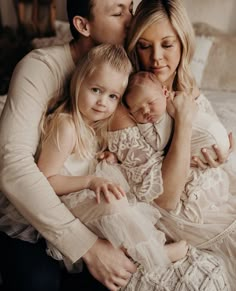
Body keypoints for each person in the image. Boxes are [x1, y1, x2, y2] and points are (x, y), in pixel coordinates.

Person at [0, 1, 136, 291]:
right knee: (37, 283)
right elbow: (13, 166)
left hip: (81, 205)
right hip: (29, 212)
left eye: (131, 9)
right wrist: (88, 247)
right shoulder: (40, 67)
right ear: (83, 25)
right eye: (117, 12)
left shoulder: (127, 68)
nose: (130, 20)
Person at [108, 0, 234, 289]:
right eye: (144, 45)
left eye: (167, 44)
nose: (156, 58)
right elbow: (165, 199)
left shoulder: (186, 83)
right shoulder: (127, 104)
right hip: (186, 217)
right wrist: (185, 124)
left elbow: (213, 139)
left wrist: (220, 154)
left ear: (183, 44)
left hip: (218, 192)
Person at [37, 43, 189, 275]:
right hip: (61, 206)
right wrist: (90, 181)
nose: (102, 102)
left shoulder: (92, 125)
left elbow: (81, 161)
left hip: (78, 197)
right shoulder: (66, 126)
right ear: (79, 82)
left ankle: (132, 246)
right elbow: (46, 180)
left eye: (112, 96)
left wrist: (106, 158)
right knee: (113, 201)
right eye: (96, 90)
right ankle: (154, 253)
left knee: (120, 191)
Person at [123, 71, 230, 163]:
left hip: (211, 138)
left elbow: (159, 144)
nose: (146, 111)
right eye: (137, 110)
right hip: (215, 137)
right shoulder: (172, 100)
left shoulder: (163, 116)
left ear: (165, 92)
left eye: (151, 102)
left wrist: (144, 126)